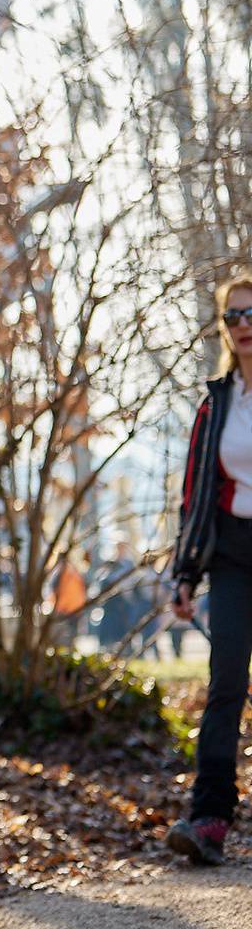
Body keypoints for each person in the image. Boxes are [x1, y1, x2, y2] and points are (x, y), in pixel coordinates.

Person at [166, 270, 252, 866]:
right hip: (234, 554)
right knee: (225, 685)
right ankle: (209, 820)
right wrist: (185, 574)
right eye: (233, 317)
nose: (243, 326)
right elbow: (196, 495)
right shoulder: (217, 402)